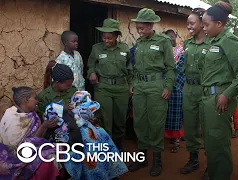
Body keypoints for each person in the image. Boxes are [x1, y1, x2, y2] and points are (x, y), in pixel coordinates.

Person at [201, 1, 238, 179]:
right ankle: (213, 172)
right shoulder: (214, 41)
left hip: (219, 99)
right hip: (208, 98)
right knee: (211, 141)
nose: (204, 28)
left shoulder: (230, 41)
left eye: (207, 24)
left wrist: (227, 95)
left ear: (219, 24)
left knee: (219, 142)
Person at [128, 8, 176, 177]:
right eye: (138, 28)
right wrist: (133, 83)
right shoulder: (139, 43)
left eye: (142, 28)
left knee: (156, 122)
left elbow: (171, 68)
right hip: (140, 86)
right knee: (139, 122)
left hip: (157, 85)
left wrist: (168, 87)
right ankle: (142, 158)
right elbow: (134, 66)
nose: (139, 31)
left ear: (151, 25)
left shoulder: (164, 41)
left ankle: (157, 160)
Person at [87, 18, 133, 151]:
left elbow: (130, 68)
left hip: (121, 88)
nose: (106, 40)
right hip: (103, 88)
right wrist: (92, 73)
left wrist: (131, 85)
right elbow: (90, 65)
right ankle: (106, 145)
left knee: (120, 118)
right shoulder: (96, 49)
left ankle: (118, 143)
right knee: (104, 118)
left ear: (116, 36)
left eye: (110, 38)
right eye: (104, 37)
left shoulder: (124, 48)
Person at [0, 86, 59, 180]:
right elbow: (20, 149)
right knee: (50, 159)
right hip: (13, 157)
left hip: (29, 149)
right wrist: (44, 126)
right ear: (26, 100)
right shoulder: (12, 118)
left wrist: (46, 125)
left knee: (60, 151)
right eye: (35, 98)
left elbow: (36, 138)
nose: (37, 101)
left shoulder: (31, 114)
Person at [180, 8, 211, 179]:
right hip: (189, 89)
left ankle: (211, 164)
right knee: (190, 128)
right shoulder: (187, 44)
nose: (189, 26)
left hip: (206, 90)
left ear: (202, 23)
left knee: (207, 128)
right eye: (187, 23)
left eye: (192, 23)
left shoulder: (213, 43)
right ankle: (193, 160)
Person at [37, 62, 78, 141]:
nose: (69, 87)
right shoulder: (44, 97)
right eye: (67, 85)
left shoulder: (73, 90)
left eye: (71, 84)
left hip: (75, 131)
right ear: (57, 82)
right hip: (57, 135)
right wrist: (61, 109)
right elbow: (44, 120)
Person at [163, 29, 185, 153]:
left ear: (175, 36)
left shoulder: (181, 51)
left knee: (177, 114)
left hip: (177, 87)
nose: (170, 39)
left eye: (172, 36)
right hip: (165, 86)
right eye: (167, 37)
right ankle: (168, 137)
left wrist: (174, 84)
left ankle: (177, 140)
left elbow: (182, 69)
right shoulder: (165, 51)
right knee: (165, 113)